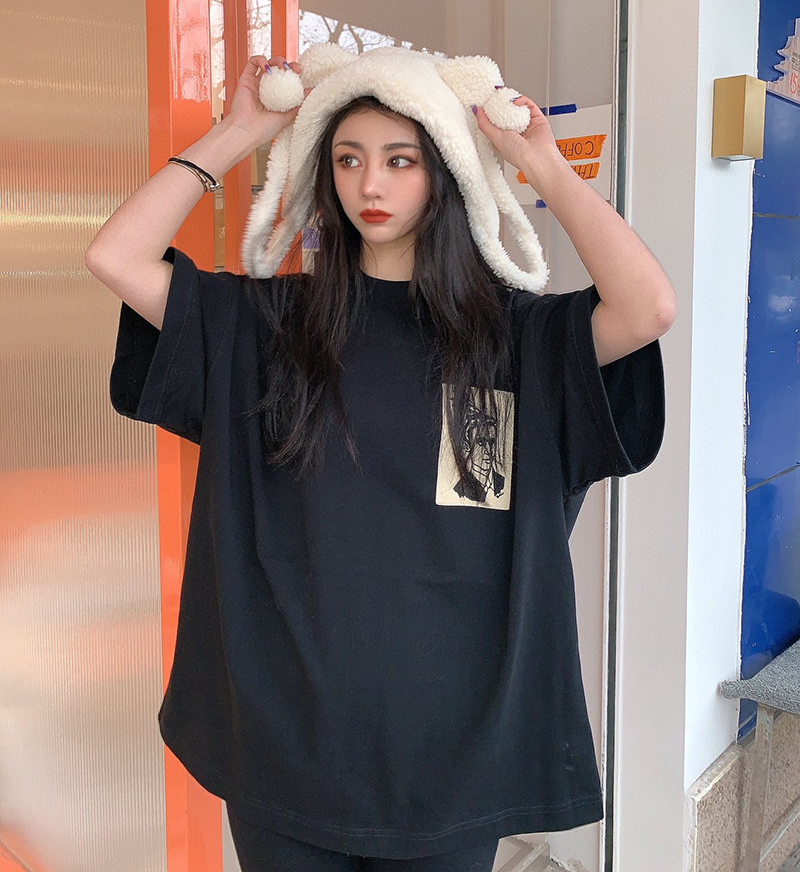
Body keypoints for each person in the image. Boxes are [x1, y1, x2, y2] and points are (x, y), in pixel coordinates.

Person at [85, 47, 674, 872]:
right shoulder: (268, 323)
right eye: (348, 158)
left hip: (452, 757)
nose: (371, 183)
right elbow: (115, 258)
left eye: (401, 160)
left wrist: (541, 165)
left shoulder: (512, 337)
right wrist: (238, 133)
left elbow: (647, 307)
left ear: (444, 173)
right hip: (284, 744)